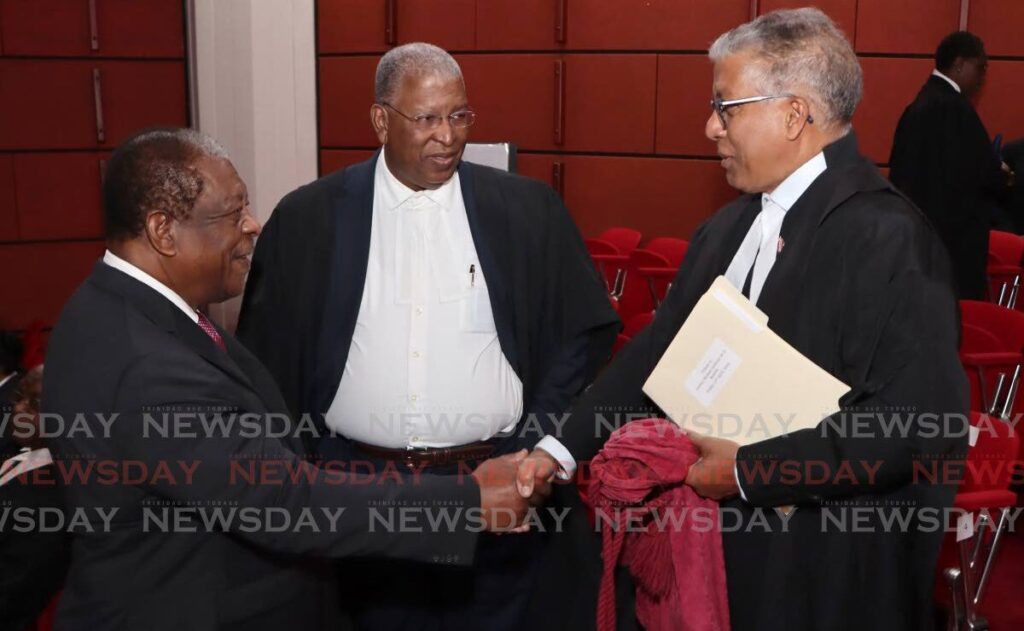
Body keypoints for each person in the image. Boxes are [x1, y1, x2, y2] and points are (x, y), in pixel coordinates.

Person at [517, 9, 968, 631]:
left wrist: (752, 471)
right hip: (714, 548)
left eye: (726, 107)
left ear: (793, 114)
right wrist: (559, 449)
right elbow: (660, 352)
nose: (710, 127)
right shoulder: (729, 227)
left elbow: (918, 426)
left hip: (820, 566)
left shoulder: (889, 238)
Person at [42, 128, 541, 631]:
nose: (252, 226)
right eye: (232, 214)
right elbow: (282, 500)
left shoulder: (121, 308)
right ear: (163, 231)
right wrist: (467, 502)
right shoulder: (149, 365)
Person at [237, 41, 618, 631]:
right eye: (427, 118)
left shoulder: (526, 211)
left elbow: (579, 337)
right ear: (380, 119)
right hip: (358, 495)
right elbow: (265, 362)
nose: (448, 136)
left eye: (459, 116)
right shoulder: (308, 220)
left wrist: (536, 444)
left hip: (495, 488)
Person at [890, 31, 1010, 299]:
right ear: (959, 65)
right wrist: (1005, 174)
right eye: (980, 68)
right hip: (956, 250)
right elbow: (987, 175)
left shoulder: (916, 108)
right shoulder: (958, 112)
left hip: (915, 245)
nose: (982, 78)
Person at [1, 365, 70, 631]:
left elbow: (18, 586)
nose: (19, 410)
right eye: (18, 397)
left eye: (36, 403)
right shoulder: (22, 459)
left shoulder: (52, 488)